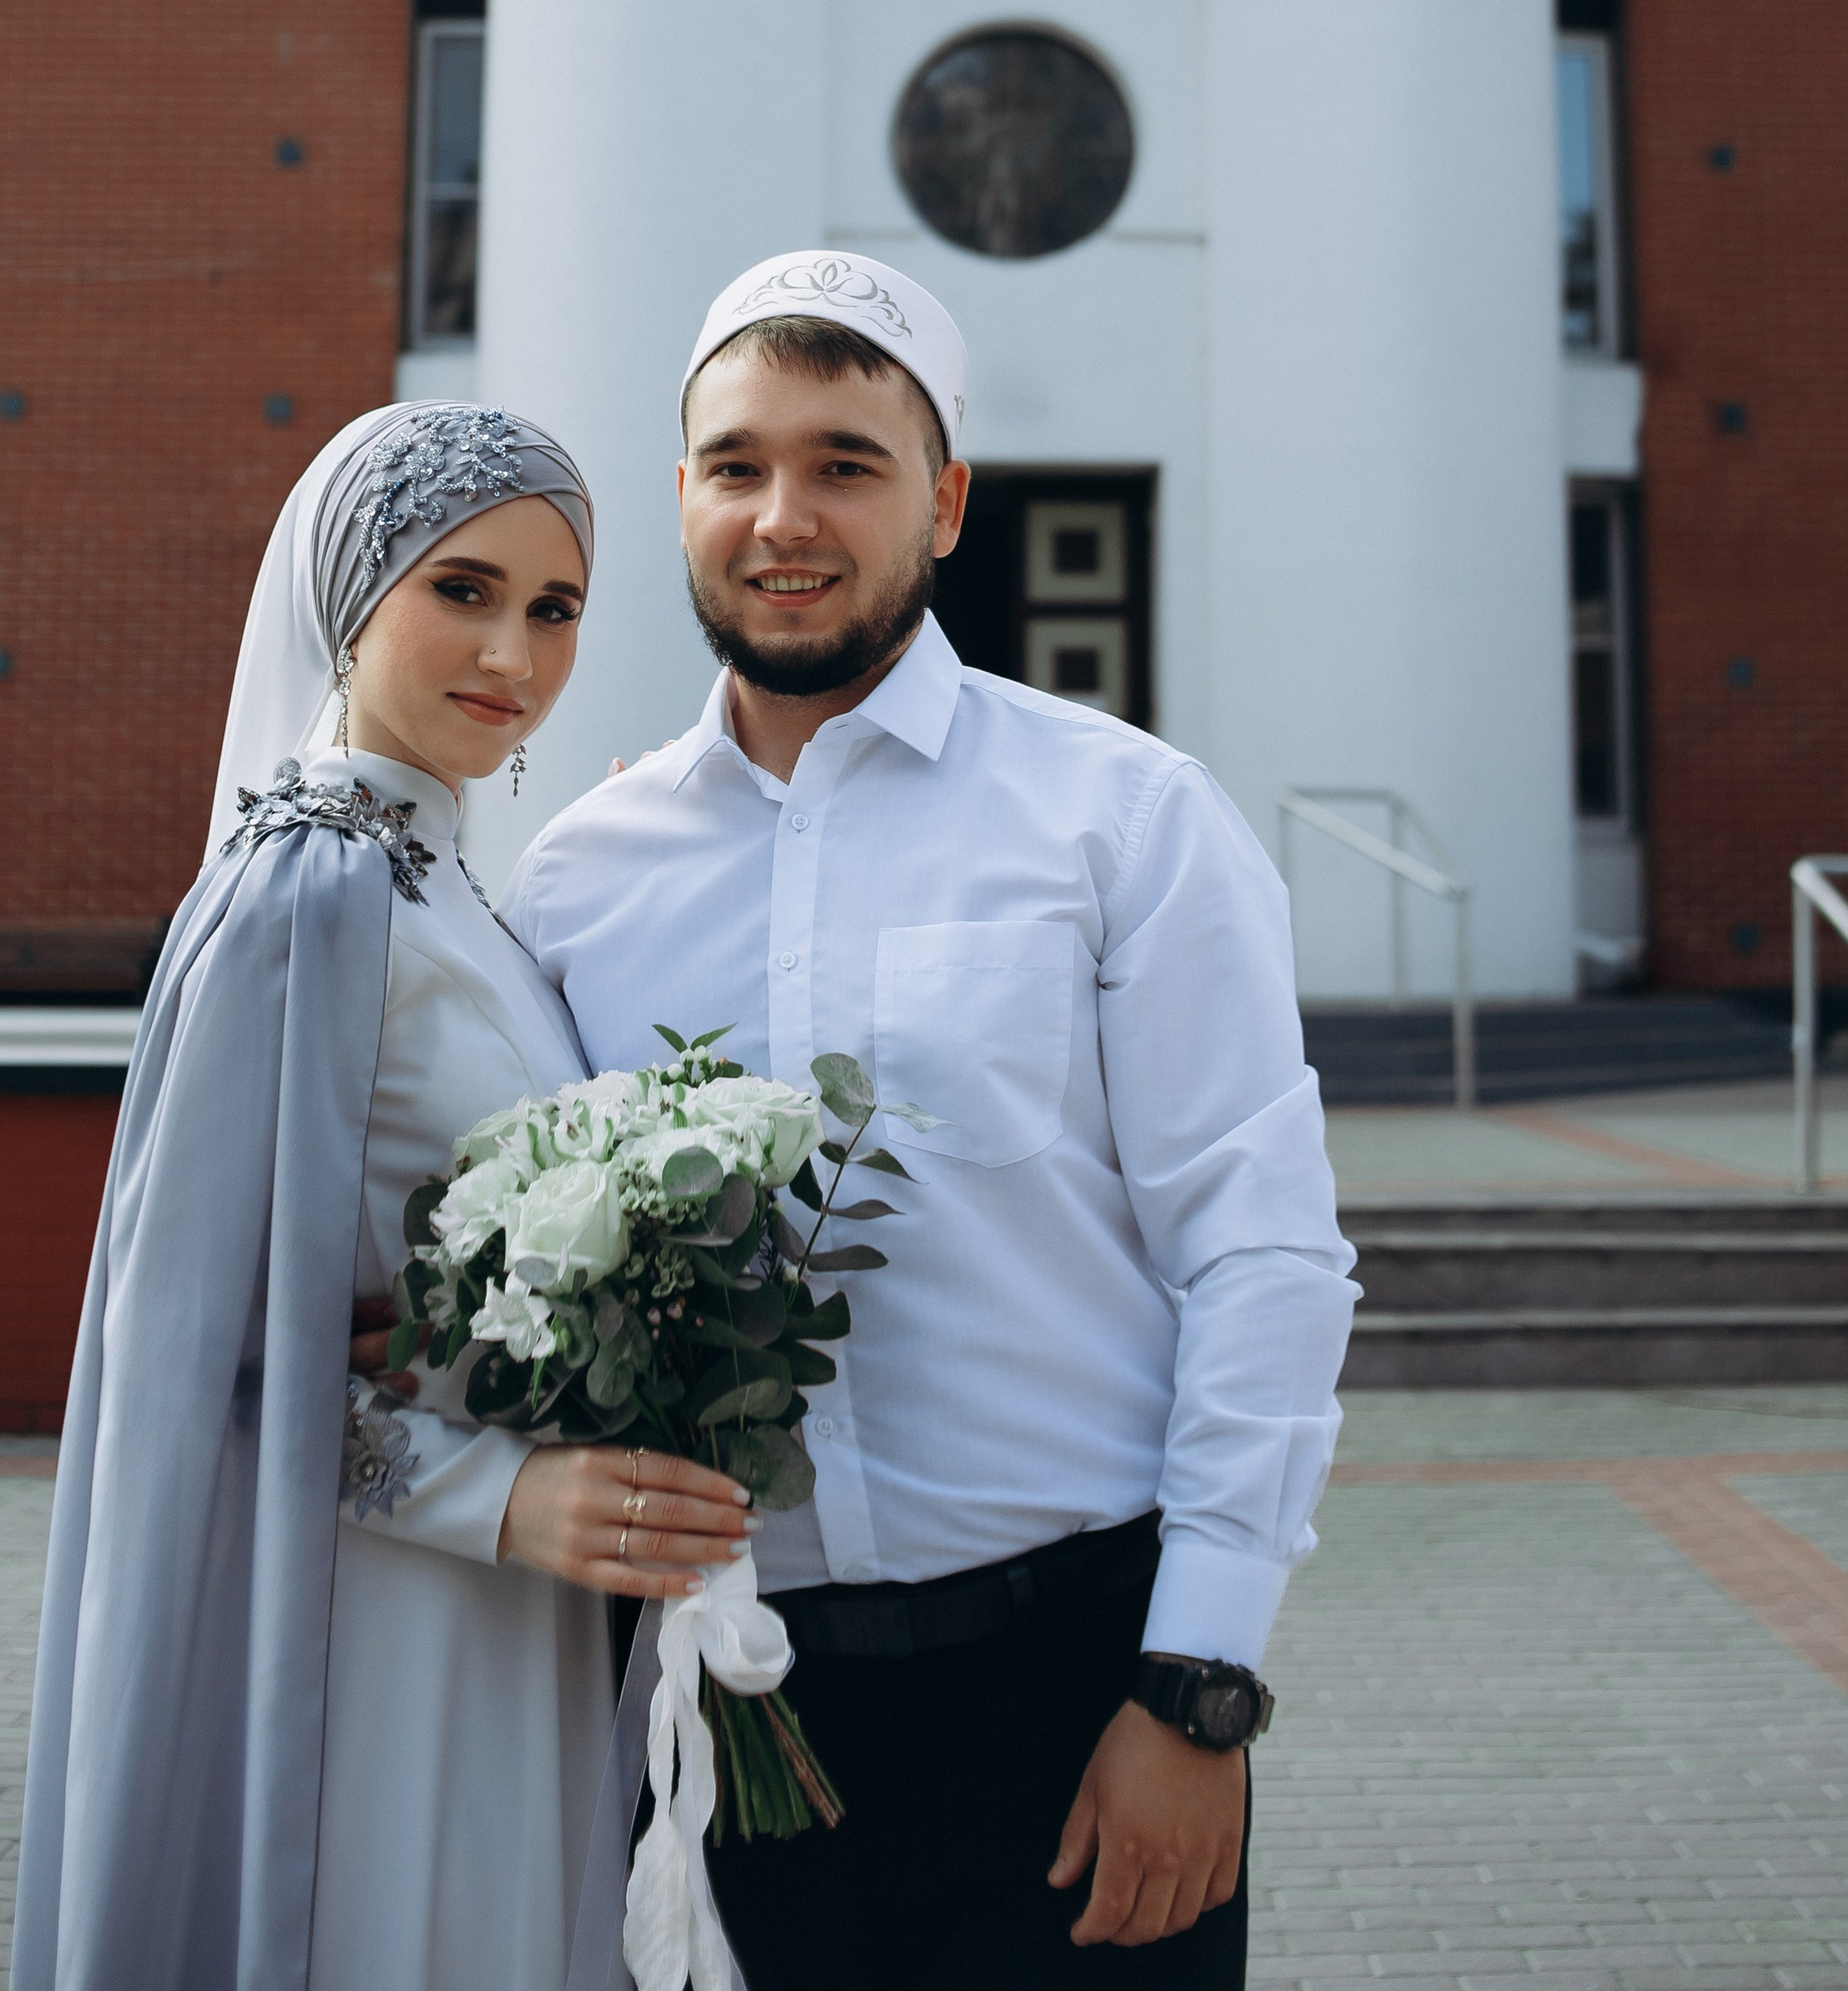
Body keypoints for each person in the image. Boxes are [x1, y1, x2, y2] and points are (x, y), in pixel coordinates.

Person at [498, 254, 1358, 1987]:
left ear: (945, 500)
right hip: (723, 1712)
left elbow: (1259, 1254)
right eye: (735, 465)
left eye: (846, 462)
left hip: (1072, 1701)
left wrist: (1195, 1688)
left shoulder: (1120, 817)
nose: (781, 516)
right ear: (680, 497)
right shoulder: (578, 877)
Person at [11, 402, 753, 1991]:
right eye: (462, 590)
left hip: (519, 1619)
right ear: (351, 597)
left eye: (555, 608)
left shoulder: (448, 877)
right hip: (384, 1620)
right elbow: (193, 1351)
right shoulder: (309, 887)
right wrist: (496, 1495)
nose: (516, 652)